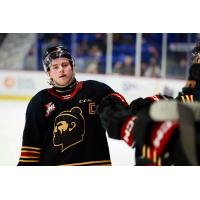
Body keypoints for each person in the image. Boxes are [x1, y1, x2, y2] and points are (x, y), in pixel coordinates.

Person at [18, 46, 128, 166]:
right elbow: (30, 151)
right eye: (55, 67)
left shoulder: (97, 90)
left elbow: (125, 113)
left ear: (72, 66)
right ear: (49, 73)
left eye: (65, 65)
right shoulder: (39, 102)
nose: (61, 69)